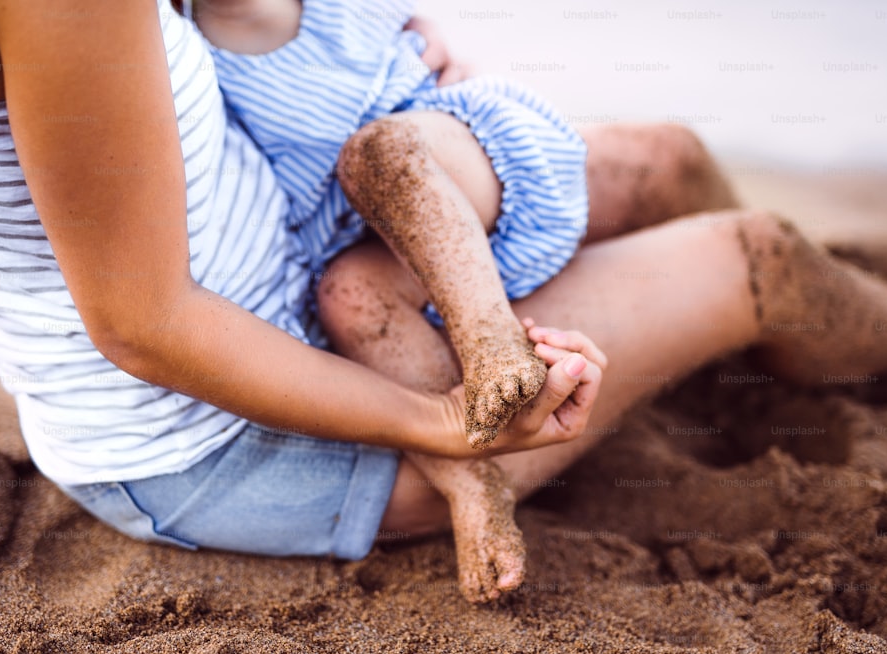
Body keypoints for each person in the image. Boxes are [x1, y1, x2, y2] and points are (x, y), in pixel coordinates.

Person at [0, 0, 887, 606]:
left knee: (667, 158)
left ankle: (754, 349)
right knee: (755, 255)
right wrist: (445, 426)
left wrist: (363, 45)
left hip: (306, 234)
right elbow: (141, 324)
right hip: (225, 435)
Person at [189, 0, 598, 602]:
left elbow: (411, 33)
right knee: (345, 295)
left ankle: (493, 343)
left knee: (376, 152)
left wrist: (424, 32)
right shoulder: (177, 49)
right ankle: (474, 485)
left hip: (476, 169)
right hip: (383, 248)